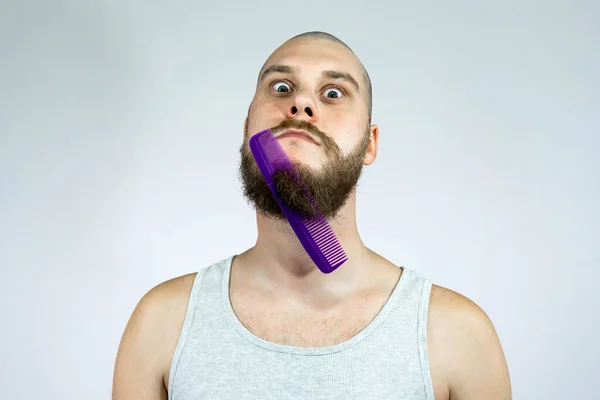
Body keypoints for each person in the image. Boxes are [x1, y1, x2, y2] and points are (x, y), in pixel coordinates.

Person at [112, 31, 512, 400]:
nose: (301, 105)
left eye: (333, 93)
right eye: (281, 87)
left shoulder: (457, 335)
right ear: (246, 129)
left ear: (370, 144)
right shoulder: (162, 324)